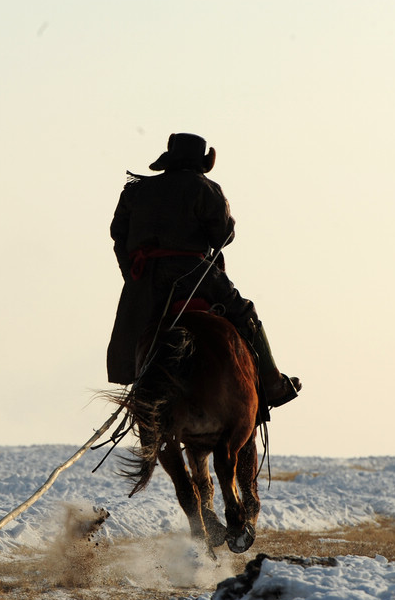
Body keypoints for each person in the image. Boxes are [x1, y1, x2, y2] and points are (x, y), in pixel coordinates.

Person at [106, 132, 300, 418]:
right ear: (200, 163)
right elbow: (223, 235)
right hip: (195, 276)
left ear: (168, 160)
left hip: (146, 279)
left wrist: (134, 276)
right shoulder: (205, 188)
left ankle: (133, 380)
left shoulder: (135, 192)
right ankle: (273, 384)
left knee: (135, 326)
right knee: (246, 313)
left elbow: (118, 235)